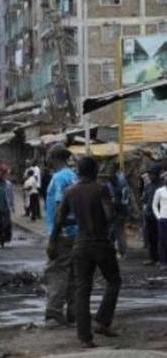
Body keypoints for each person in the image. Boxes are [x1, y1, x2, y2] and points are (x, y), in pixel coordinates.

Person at [49, 156, 121, 348]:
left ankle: (84, 338)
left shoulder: (70, 191)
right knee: (113, 281)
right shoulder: (101, 189)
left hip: (80, 245)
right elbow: (110, 215)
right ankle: (103, 321)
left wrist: (52, 242)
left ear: (79, 172)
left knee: (83, 290)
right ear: (95, 171)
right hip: (100, 243)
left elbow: (59, 220)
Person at [43, 144, 78, 327]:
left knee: (56, 271)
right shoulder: (73, 176)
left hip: (61, 233)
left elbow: (59, 209)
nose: (46, 158)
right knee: (72, 272)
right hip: (75, 232)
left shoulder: (59, 178)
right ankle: (74, 310)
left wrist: (52, 238)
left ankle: (54, 311)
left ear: (55, 157)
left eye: (48, 155)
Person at [106, 165, 131, 259]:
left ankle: (120, 252)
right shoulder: (123, 181)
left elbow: (114, 200)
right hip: (123, 209)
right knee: (119, 231)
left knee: (117, 232)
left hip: (117, 210)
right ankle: (121, 251)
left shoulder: (115, 183)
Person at [141, 165, 162, 266]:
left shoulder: (162, 186)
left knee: (160, 238)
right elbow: (145, 199)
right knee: (151, 238)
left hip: (159, 216)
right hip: (149, 216)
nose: (149, 176)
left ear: (157, 174)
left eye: (151, 174)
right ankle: (153, 258)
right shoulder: (149, 186)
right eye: (149, 173)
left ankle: (160, 259)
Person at [150, 172, 167, 269]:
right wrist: (158, 217)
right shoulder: (159, 191)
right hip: (163, 219)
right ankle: (163, 262)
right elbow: (154, 205)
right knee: (163, 241)